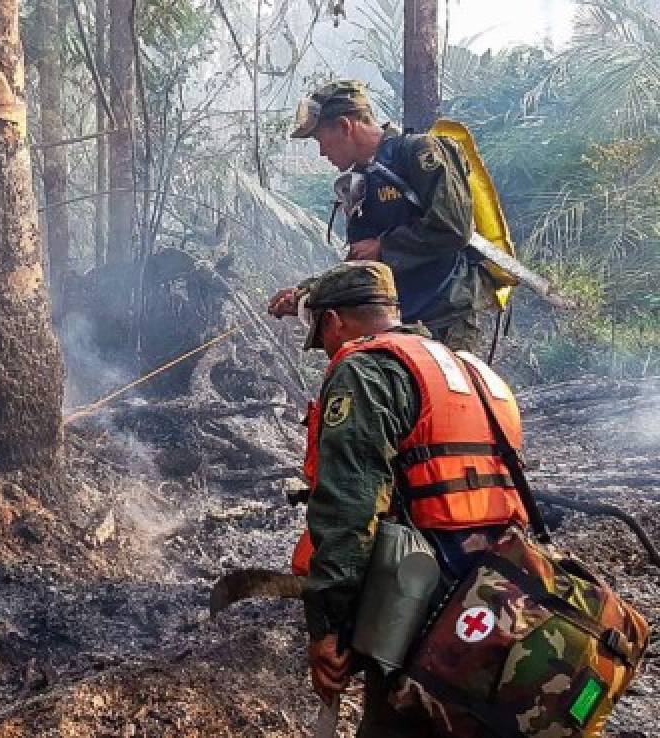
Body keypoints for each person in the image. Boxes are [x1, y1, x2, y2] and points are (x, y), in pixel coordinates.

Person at [293, 261, 527, 736]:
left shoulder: (366, 370)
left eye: (321, 336)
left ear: (334, 320)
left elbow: (349, 507)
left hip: (420, 594)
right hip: (502, 583)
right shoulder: (467, 370)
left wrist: (329, 625)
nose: (325, 350)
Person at [269, 80, 487, 353]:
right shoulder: (359, 185)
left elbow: (455, 226)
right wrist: (308, 294)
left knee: (445, 395)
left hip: (444, 317)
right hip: (395, 325)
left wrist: (384, 246)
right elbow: (362, 265)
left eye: (320, 139)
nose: (322, 151)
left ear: (345, 126)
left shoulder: (419, 152)